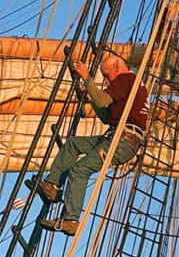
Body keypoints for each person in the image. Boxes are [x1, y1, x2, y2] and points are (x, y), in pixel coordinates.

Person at [28, 52, 148, 236]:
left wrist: (86, 77)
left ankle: (71, 220)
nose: (107, 82)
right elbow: (108, 117)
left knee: (79, 170)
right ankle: (52, 186)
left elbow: (102, 99)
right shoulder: (132, 84)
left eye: (107, 75)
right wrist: (90, 97)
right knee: (73, 144)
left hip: (123, 140)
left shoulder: (127, 78)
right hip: (117, 137)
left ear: (117, 67)